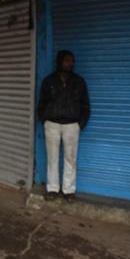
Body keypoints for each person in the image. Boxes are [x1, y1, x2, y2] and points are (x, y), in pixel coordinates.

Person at [38, 50, 90, 202]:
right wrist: (44, 120)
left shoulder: (79, 82)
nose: (70, 63)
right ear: (59, 61)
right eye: (67, 60)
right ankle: (52, 189)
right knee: (52, 158)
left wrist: (80, 124)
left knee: (70, 159)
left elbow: (85, 105)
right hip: (52, 125)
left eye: (72, 61)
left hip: (72, 126)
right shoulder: (49, 81)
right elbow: (41, 102)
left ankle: (68, 190)